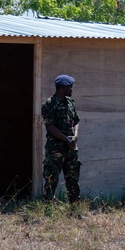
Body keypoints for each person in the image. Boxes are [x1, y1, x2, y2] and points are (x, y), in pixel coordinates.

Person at [41, 74, 81, 203]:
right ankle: (48, 211)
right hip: (55, 149)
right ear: (62, 88)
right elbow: (50, 126)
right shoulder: (49, 104)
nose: (72, 89)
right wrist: (66, 139)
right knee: (51, 180)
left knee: (73, 180)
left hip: (71, 148)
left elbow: (76, 121)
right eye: (70, 87)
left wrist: (75, 137)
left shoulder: (70, 103)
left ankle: (74, 210)